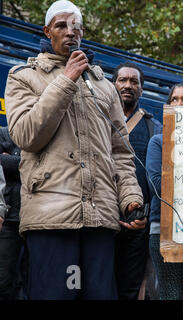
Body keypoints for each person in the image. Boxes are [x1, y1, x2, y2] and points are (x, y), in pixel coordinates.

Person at [4, 0, 143, 300]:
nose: (71, 32)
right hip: (51, 218)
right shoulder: (23, 76)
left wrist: (130, 199)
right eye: (61, 26)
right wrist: (66, 80)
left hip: (100, 219)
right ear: (47, 32)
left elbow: (121, 152)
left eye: (76, 26)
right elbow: (26, 135)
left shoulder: (104, 86)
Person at [147, 83, 183, 300]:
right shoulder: (158, 141)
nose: (179, 104)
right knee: (171, 293)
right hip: (164, 228)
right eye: (174, 99)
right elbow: (156, 184)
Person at [112, 62, 162, 300]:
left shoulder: (155, 128)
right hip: (101, 220)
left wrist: (146, 213)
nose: (128, 85)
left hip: (137, 224)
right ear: (113, 85)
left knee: (130, 288)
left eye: (134, 81)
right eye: (122, 80)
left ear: (142, 89)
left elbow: (159, 179)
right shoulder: (97, 121)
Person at [0, 127, 24, 300]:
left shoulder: (45, 133)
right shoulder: (3, 133)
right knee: (4, 281)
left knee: (34, 280)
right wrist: (27, 162)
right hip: (9, 218)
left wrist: (13, 160)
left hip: (38, 219)